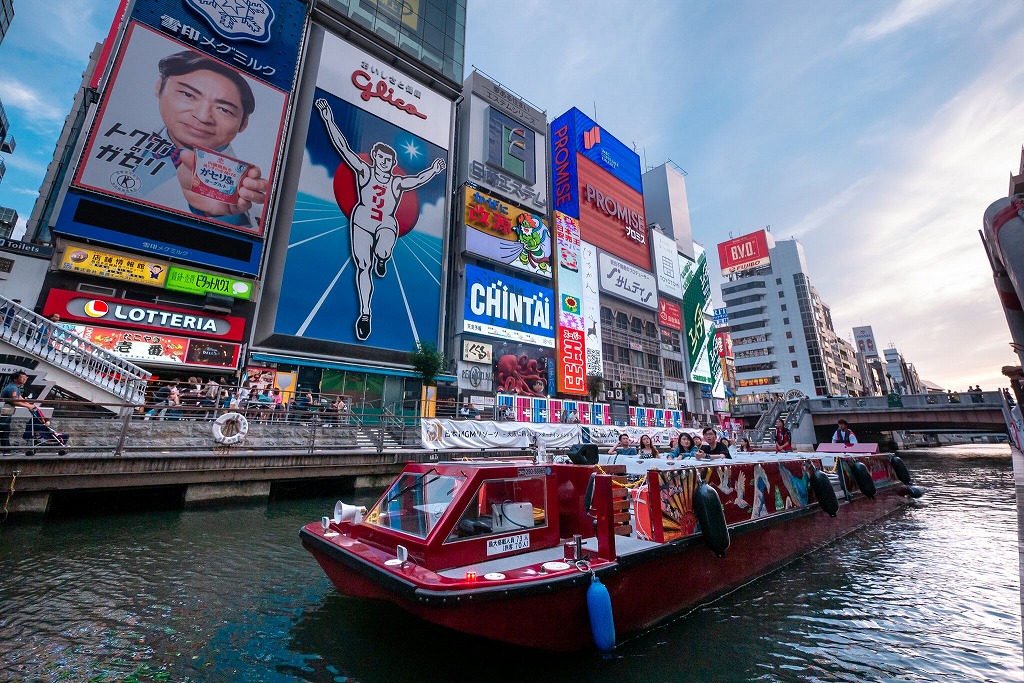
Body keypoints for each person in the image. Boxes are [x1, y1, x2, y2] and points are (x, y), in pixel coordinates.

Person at [316, 98, 446, 341]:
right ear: (375, 158)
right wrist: (327, 118)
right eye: (381, 159)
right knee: (362, 267)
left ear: (393, 163)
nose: (384, 163)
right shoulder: (364, 171)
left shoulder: (396, 182)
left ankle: (383, 257)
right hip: (362, 220)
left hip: (386, 221)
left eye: (389, 161)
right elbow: (343, 147)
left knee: (386, 240)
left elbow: (417, 179)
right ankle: (365, 313)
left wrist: (434, 170)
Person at [139, 51, 267, 226]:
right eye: (188, 95)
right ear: (159, 86)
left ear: (244, 123)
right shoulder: (118, 134)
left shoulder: (243, 190)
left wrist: (219, 215)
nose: (202, 116)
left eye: (224, 109)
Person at [1, 371, 34, 455]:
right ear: (15, 379)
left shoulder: (16, 387)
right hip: (3, 413)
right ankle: (6, 450)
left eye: (26, 377)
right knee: (4, 431)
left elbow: (20, 398)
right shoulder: (12, 388)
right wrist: (28, 406)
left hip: (7, 412)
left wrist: (29, 404)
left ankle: (6, 450)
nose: (25, 379)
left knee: (5, 430)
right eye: (22, 377)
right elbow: (15, 401)